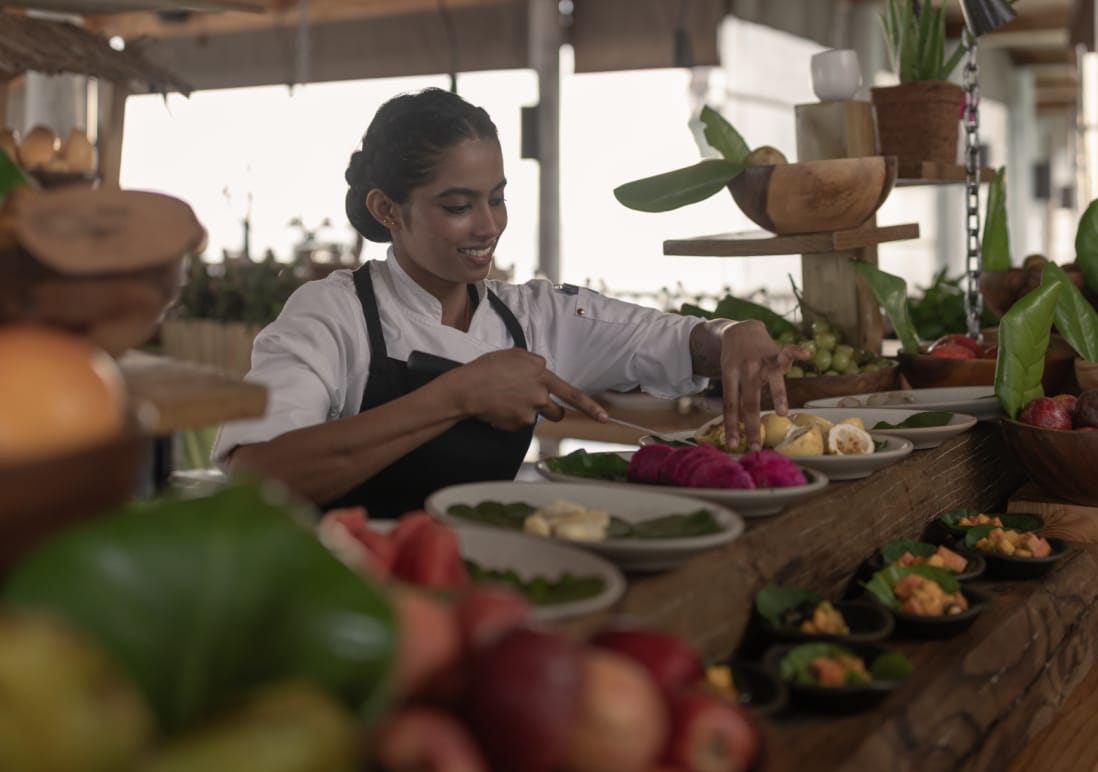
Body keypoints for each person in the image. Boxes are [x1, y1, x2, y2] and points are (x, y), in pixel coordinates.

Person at [213, 88, 805, 516]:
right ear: (387, 209)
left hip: (476, 582)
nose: (488, 225)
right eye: (457, 206)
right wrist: (458, 394)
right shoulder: (333, 315)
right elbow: (256, 476)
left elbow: (673, 341)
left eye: (497, 198)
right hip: (343, 595)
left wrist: (731, 335)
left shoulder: (528, 319)